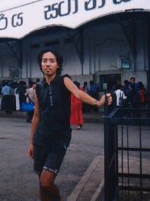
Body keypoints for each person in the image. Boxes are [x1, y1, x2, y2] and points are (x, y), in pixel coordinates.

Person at [27, 48, 112, 201]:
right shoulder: (39, 88)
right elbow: (36, 116)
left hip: (59, 139)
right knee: (41, 183)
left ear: (58, 65)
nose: (48, 64)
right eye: (44, 61)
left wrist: (97, 102)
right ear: (40, 64)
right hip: (41, 139)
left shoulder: (63, 80)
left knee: (46, 182)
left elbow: (78, 94)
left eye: (52, 61)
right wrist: (32, 143)